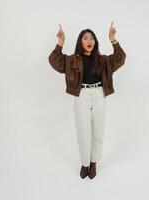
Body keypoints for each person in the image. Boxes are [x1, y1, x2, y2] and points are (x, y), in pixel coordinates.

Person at [48, 21, 126, 179]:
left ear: (95, 42)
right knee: (83, 132)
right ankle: (84, 164)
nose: (89, 41)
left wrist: (113, 39)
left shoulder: (103, 60)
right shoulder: (72, 60)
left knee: (98, 132)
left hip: (100, 95)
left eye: (92, 38)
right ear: (80, 42)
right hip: (82, 96)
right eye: (85, 38)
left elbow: (120, 58)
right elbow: (54, 61)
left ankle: (93, 163)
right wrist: (60, 43)